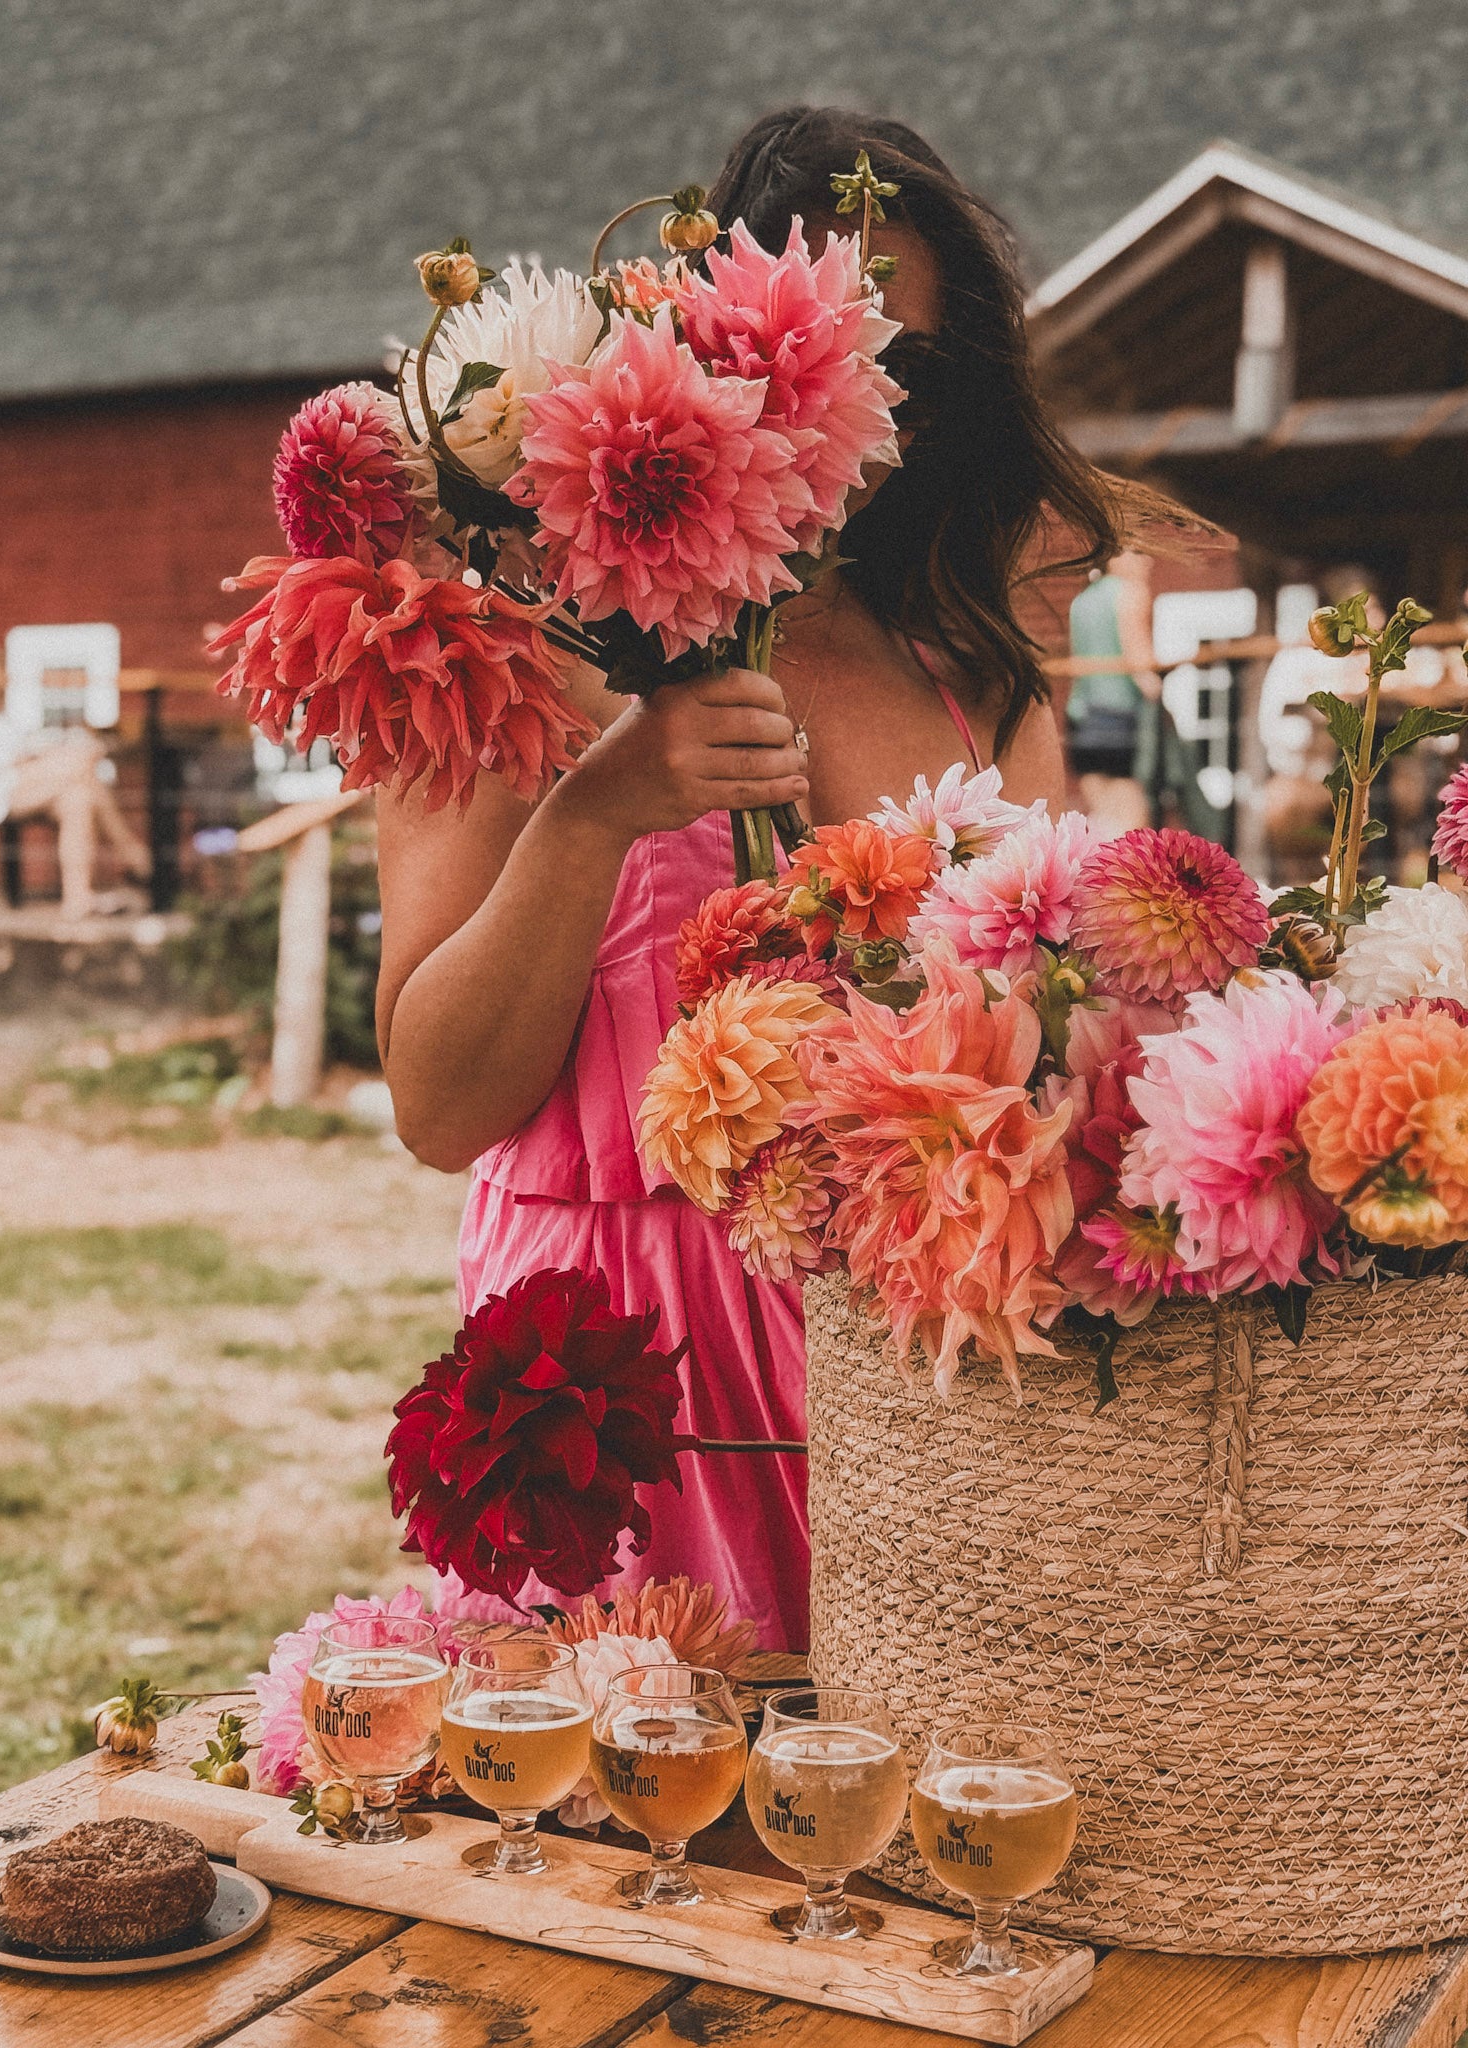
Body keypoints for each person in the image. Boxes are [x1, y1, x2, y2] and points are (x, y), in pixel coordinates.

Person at [377, 107, 1172, 1650]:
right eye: (828, 345)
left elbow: (1059, 1029)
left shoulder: (975, 655)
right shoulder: (511, 644)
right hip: (620, 1384)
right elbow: (436, 1106)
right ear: (701, 344)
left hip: (917, 1343)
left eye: (919, 368)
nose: (870, 404)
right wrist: (598, 809)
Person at [0, 642, 149, 920]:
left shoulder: (6, 719)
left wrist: (33, 758)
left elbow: (29, 750)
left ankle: (78, 898)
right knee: (79, 764)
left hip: (22, 786)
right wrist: (1, 766)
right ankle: (131, 853)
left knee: (78, 796)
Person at [1066, 552, 1160, 836]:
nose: (1149, 561)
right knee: (1132, 813)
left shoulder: (1081, 601)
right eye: (1140, 553)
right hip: (1119, 717)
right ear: (1115, 557)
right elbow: (1139, 663)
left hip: (1081, 717)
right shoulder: (1131, 592)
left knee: (1102, 815)